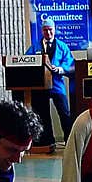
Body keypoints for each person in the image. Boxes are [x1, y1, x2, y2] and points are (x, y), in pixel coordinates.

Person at [24, 18, 76, 150]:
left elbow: (70, 64)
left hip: (57, 85)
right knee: (43, 115)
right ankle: (47, 141)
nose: (48, 32)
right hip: (40, 86)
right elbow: (27, 61)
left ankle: (69, 141)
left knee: (64, 113)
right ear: (42, 31)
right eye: (45, 30)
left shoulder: (62, 46)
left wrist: (59, 69)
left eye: (50, 30)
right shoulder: (35, 47)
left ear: (54, 30)